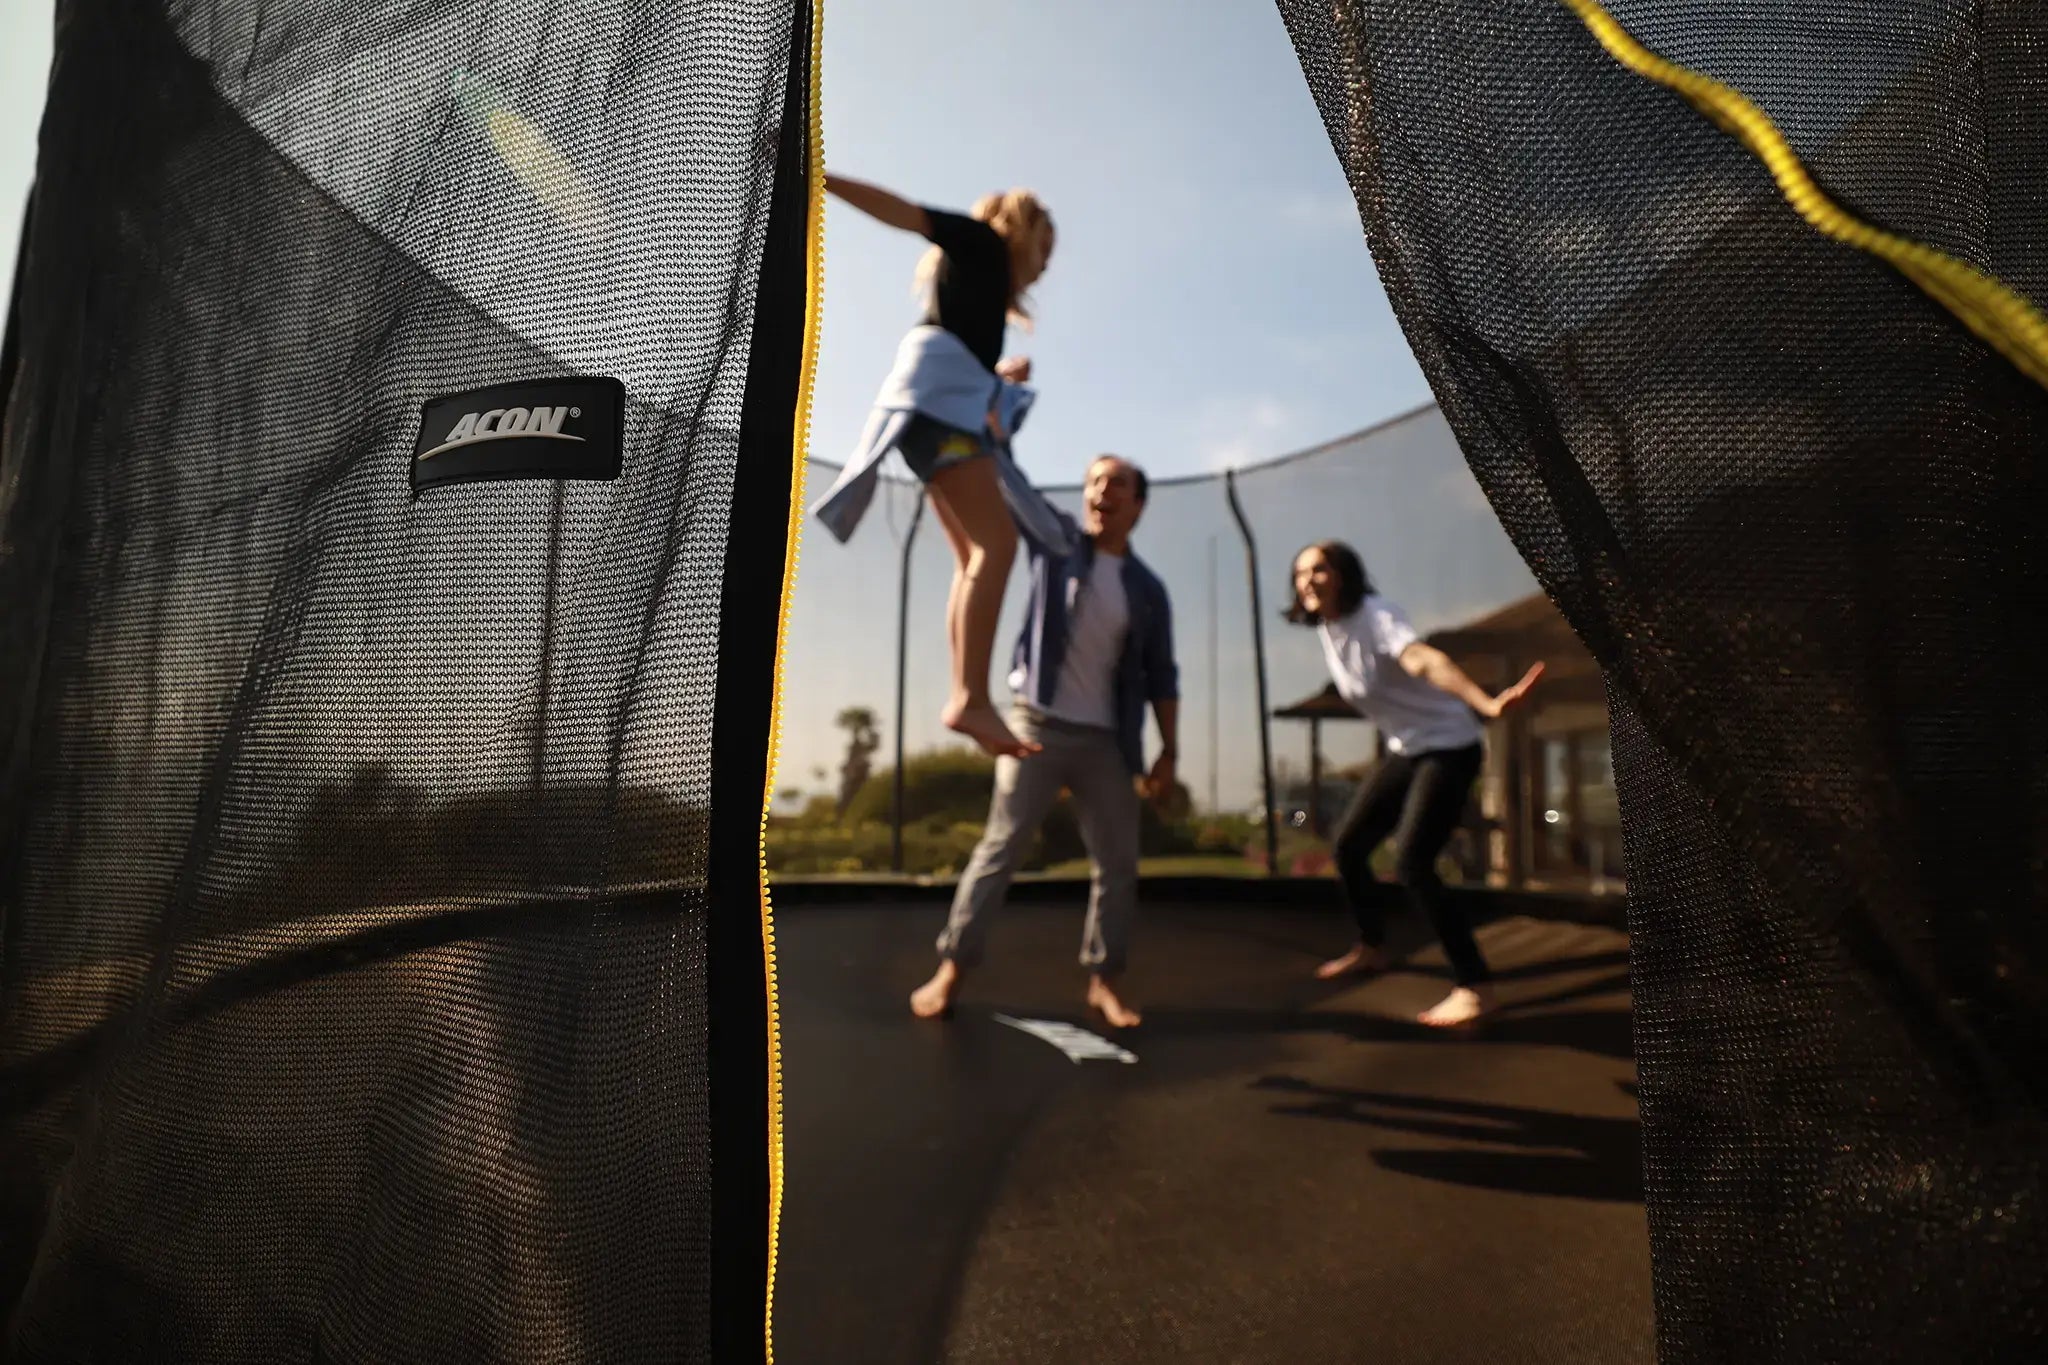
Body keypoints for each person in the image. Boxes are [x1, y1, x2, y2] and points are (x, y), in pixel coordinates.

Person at [910, 455, 1179, 1030]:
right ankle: (952, 968)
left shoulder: (1148, 589)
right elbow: (1017, 491)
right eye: (1095, 481)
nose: (1103, 490)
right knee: (1001, 846)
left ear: (1137, 504)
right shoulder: (1059, 544)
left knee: (1118, 863)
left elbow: (1162, 675)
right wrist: (993, 433)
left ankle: (1105, 980)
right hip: (1035, 725)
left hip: (1107, 741)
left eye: (1119, 483)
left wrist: (1169, 751)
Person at [809, 173, 1061, 759]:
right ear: (1020, 232)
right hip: (937, 419)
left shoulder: (980, 291)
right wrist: (820, 177)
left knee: (974, 555)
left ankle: (965, 694)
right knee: (996, 548)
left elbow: (956, 354)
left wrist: (996, 380)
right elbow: (907, 211)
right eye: (1045, 247)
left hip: (933, 416)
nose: (1047, 265)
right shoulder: (981, 243)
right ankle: (970, 696)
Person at [1285, 541, 1543, 1027]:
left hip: (1449, 744)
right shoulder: (1330, 627)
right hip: (1407, 748)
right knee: (1349, 846)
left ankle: (1476, 987)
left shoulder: (1376, 616)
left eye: (1319, 570)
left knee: (1412, 861)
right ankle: (1373, 947)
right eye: (1300, 574)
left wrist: (1483, 704)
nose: (1308, 581)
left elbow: (1424, 660)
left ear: (1342, 574)